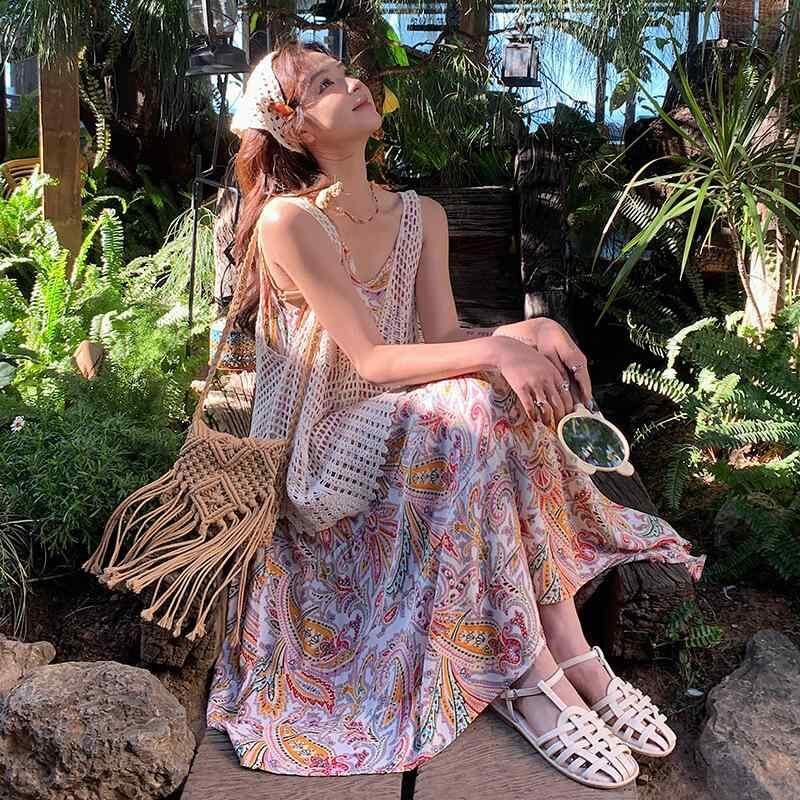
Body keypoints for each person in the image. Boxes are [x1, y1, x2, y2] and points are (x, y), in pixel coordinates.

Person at [205, 38, 706, 789]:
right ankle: (533, 679)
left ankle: (566, 652)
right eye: (325, 84)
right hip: (330, 440)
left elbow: (440, 340)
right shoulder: (289, 221)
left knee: (493, 393)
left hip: (416, 420)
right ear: (296, 127)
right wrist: (498, 353)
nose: (354, 83)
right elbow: (371, 361)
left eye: (346, 73)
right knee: (479, 395)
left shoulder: (420, 215)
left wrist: (528, 332)